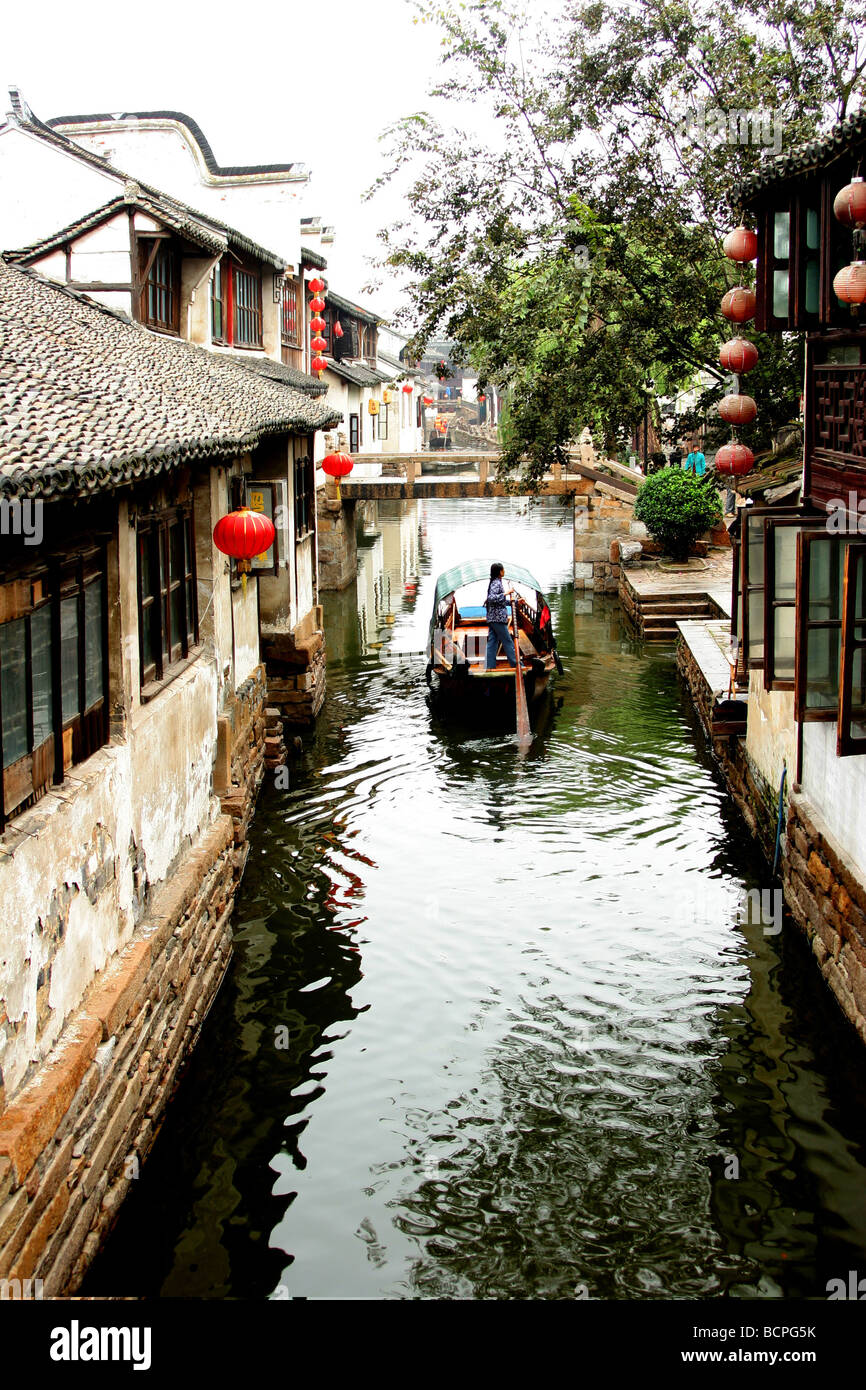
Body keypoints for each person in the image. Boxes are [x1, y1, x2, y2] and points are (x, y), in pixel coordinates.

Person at [485, 562, 517, 670]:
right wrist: (506, 593)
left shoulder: (496, 582)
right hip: (497, 618)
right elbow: (491, 598)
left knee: (492, 642)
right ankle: (516, 665)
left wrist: (516, 602)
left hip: (493, 618)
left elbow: (500, 601)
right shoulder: (496, 583)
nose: (504, 571)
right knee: (507, 641)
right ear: (499, 572)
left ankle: (490, 667)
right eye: (503, 570)